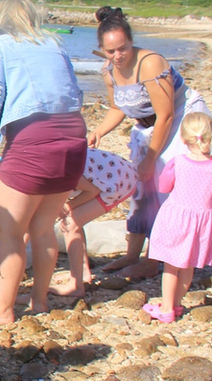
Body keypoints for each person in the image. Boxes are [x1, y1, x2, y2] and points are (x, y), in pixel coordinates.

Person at [0, 0, 86, 324]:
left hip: (34, 141)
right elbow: (74, 91)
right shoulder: (55, 43)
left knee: (12, 232)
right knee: (43, 227)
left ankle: (2, 309)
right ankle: (39, 301)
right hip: (73, 137)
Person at [88, 6, 211, 279]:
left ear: (131, 42)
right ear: (102, 49)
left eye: (123, 48)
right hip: (147, 124)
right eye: (111, 51)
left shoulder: (151, 63)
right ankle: (132, 255)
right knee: (140, 190)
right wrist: (98, 132)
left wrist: (151, 158)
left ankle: (154, 259)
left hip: (181, 119)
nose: (118, 56)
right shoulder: (109, 71)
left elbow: (166, 115)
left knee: (166, 189)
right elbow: (118, 108)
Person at [142, 112, 212, 323]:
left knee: (171, 267)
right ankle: (176, 303)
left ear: (182, 139)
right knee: (188, 267)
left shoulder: (177, 162)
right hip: (201, 223)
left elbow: (164, 186)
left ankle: (166, 308)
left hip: (177, 219)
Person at [51, 148, 136, 297]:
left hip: (115, 182)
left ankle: (77, 284)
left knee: (70, 224)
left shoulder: (59, 169)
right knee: (73, 221)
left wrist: (66, 207)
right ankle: (81, 274)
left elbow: (92, 191)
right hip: (107, 177)